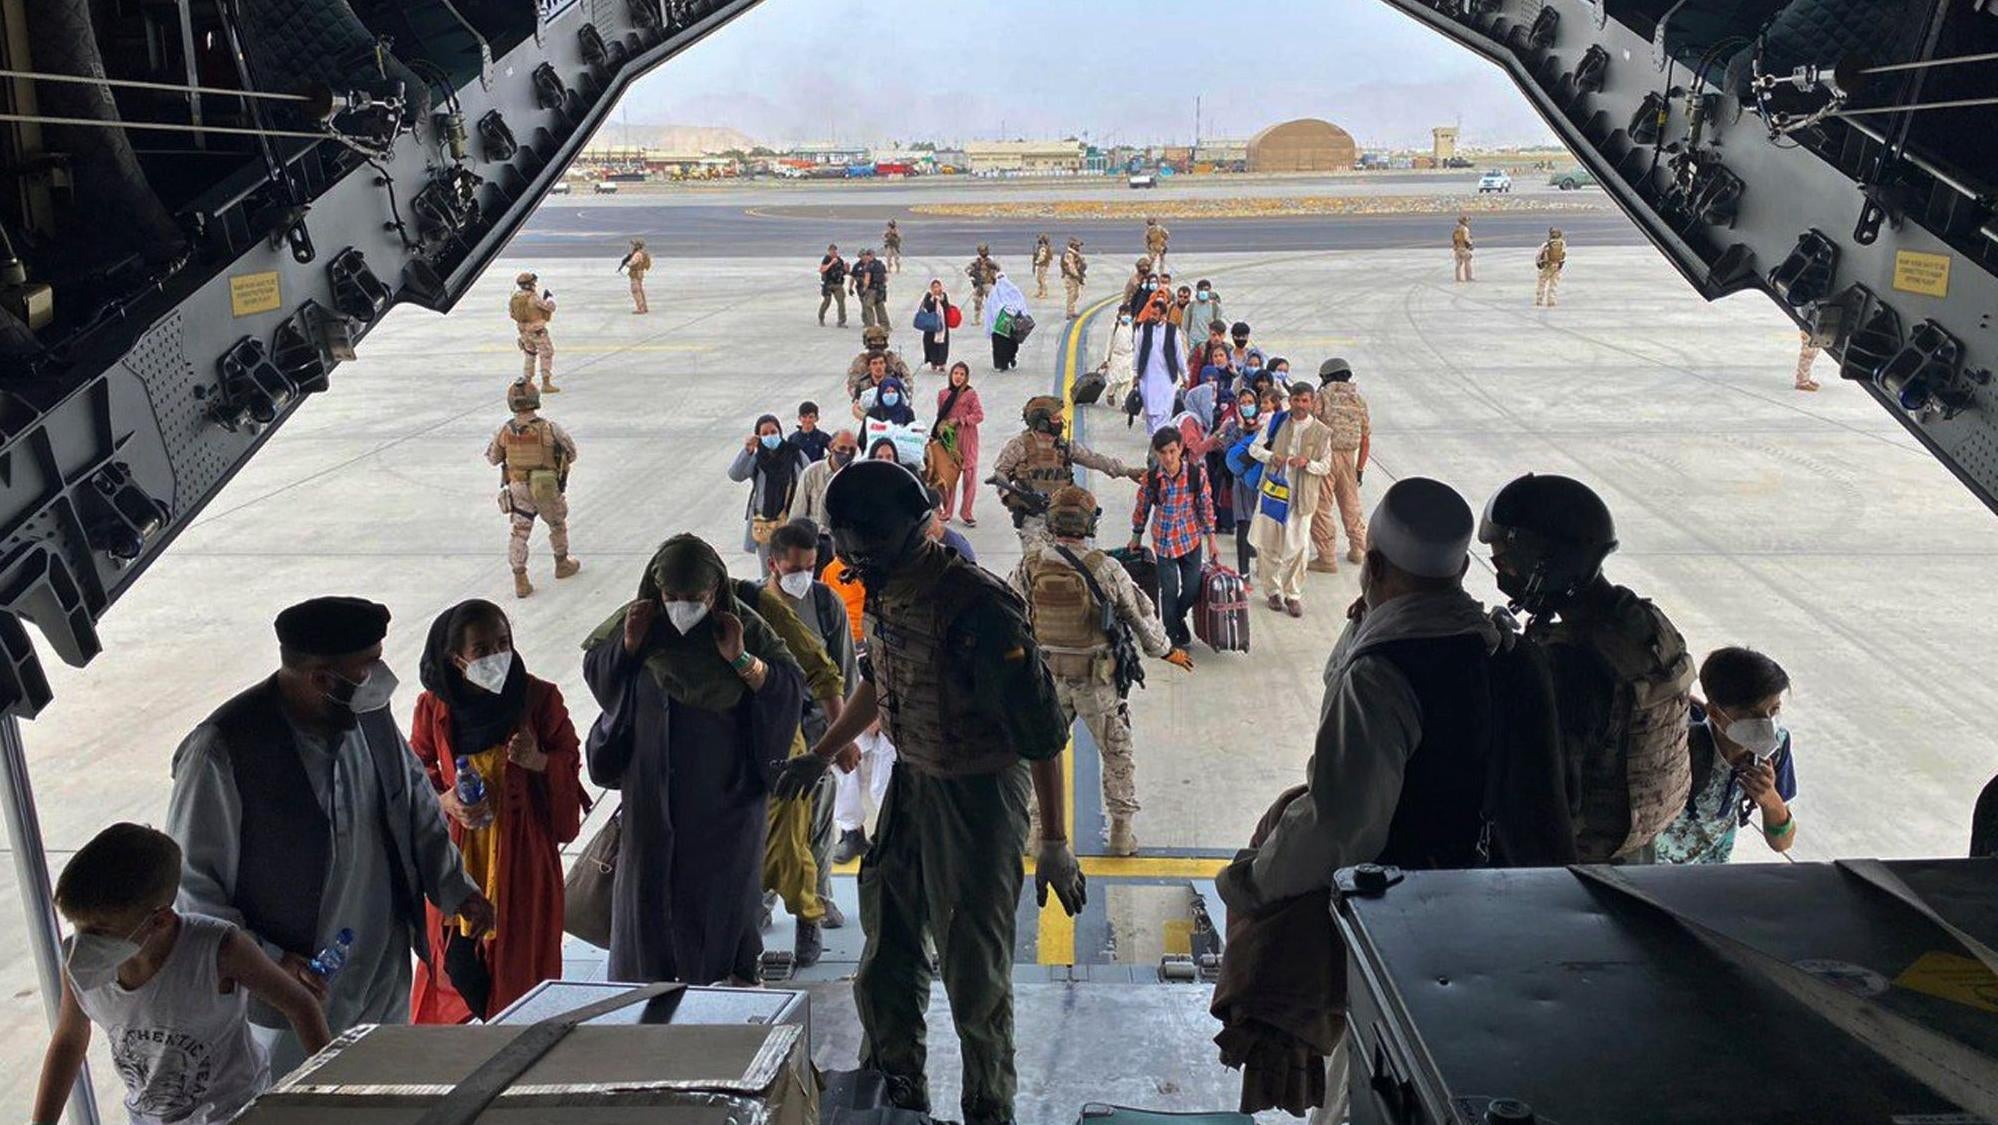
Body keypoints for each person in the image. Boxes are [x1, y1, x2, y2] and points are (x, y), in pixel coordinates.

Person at [1213, 478, 1574, 1122]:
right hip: (1506, 915)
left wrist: (1253, 882)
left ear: (1373, 565)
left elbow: (1339, 826)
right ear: (1462, 569)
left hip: (1408, 928)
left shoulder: (1384, 672)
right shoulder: (1508, 653)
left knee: (1373, 1089)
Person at [772, 461, 1082, 1125]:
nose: (855, 564)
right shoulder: (888, 591)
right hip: (913, 781)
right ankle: (898, 1095)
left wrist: (1053, 843)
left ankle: (989, 1109)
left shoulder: (978, 607)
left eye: (863, 552)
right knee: (884, 962)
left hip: (977, 800)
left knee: (975, 979)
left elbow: (1044, 731)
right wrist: (823, 753)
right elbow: (877, 682)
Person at [165, 596, 494, 1074]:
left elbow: (416, 806)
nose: (381, 678)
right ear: (322, 678)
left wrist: (455, 888)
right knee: (299, 1104)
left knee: (383, 1094)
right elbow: (193, 889)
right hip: (292, 991)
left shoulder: (368, 714)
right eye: (369, 665)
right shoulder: (223, 751)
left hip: (381, 968)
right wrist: (268, 963)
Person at [581, 536, 806, 985]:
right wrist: (629, 645)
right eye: (672, 598)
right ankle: (647, 1016)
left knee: (716, 916)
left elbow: (789, 691)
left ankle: (718, 1004)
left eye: (696, 598)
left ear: (716, 592)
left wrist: (740, 659)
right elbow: (600, 677)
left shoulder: (747, 628)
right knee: (648, 917)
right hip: (650, 801)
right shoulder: (639, 623)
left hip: (724, 806)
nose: (683, 608)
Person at [31, 823, 332, 1125]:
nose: (85, 941)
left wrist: (331, 1095)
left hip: (235, 1113)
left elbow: (300, 1004)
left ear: (160, 919)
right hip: (148, 1116)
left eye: (101, 931)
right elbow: (70, 1039)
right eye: (78, 926)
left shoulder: (218, 949)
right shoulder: (83, 960)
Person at [1478, 473, 1695, 864]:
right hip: (1637, 846)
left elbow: (1547, 789)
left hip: (1579, 863)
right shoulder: (1647, 623)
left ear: (1541, 565)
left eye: (1505, 561)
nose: (1502, 574)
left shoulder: (1572, 662)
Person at [408, 600, 584, 1022]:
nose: (496, 656)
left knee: (518, 963)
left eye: (503, 643)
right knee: (457, 961)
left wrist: (539, 761)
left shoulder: (538, 699)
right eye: (482, 649)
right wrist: (445, 800)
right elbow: (416, 771)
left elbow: (568, 758)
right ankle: (489, 1018)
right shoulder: (434, 708)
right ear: (456, 659)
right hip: (461, 856)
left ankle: (509, 1034)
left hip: (522, 856)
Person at [1015, 485, 1191, 855]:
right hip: (1096, 680)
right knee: (1116, 753)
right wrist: (1166, 651)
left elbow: (1009, 613)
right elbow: (1139, 615)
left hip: (1047, 680)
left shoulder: (1031, 563)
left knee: (1040, 754)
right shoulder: (1106, 568)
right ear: (1089, 524)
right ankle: (1121, 834)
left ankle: (1035, 833)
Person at [765, 520, 860, 940]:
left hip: (818, 733)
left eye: (810, 566)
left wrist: (844, 736)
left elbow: (844, 672)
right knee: (766, 826)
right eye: (793, 568)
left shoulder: (826, 604)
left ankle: (815, 907)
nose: (802, 576)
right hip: (769, 734)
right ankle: (760, 903)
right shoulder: (750, 607)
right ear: (773, 565)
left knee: (818, 824)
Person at [1655, 647, 1798, 864]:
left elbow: (1782, 843)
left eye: (1774, 710)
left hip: (1710, 872)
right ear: (1715, 714)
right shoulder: (1678, 744)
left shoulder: (1776, 749)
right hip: (1651, 868)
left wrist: (1769, 799)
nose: (1767, 725)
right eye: (1752, 715)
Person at [992, 395, 1142, 548]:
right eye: (1056, 418)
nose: (1061, 422)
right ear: (1042, 422)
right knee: (1036, 564)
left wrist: (1128, 471)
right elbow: (1000, 473)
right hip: (1033, 518)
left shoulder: (1063, 445)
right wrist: (1011, 497)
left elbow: (1094, 459)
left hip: (1063, 519)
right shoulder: (1019, 446)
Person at [487, 379, 581, 599]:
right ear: (535, 400)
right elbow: (572, 453)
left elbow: (493, 458)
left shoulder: (505, 430)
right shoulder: (549, 428)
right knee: (557, 524)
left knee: (520, 532)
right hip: (546, 487)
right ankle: (562, 564)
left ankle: (520, 579)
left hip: (518, 487)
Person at [1249, 383, 1335, 617]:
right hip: (1273, 494)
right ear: (1291, 401)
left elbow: (1326, 466)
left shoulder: (1322, 432)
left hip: (1301, 498)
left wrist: (1307, 464)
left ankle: (1293, 594)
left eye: (1305, 401)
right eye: (1296, 400)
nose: (1300, 405)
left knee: (1299, 547)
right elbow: (1254, 449)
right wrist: (1272, 457)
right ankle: (1272, 591)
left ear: (1312, 402)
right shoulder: (1276, 422)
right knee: (1268, 545)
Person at [1132, 427, 1218, 650]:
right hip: (1163, 542)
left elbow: (1205, 507)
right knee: (1168, 591)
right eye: (1163, 453)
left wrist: (1212, 540)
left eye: (1172, 451)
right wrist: (1136, 537)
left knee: (1192, 587)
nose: (1168, 457)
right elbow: (1142, 508)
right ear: (1157, 453)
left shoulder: (1196, 475)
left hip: (1190, 539)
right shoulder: (1151, 479)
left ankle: (1178, 618)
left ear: (1180, 448)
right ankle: (1172, 634)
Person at [1309, 358, 1371, 574]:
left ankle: (1326, 558)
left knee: (1321, 507)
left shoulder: (1322, 397)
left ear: (1326, 377)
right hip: (1349, 458)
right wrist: (1360, 468)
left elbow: (1309, 425)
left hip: (1325, 456)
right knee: (1351, 505)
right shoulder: (1359, 400)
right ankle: (1358, 549)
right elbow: (1365, 439)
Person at [729, 415, 811, 570]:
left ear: (780, 432)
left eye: (773, 431)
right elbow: (735, 475)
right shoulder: (757, 459)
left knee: (792, 567)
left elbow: (808, 479)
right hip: (765, 523)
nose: (770, 436)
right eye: (765, 434)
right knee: (768, 571)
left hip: (791, 520)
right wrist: (747, 450)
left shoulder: (795, 454)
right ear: (758, 437)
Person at [1221, 388, 1281, 586]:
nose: (1247, 406)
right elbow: (1228, 456)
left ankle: (1265, 571)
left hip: (1265, 483)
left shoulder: (1269, 427)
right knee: (1244, 525)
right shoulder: (1233, 427)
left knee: (1265, 528)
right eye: (1243, 402)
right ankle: (1244, 572)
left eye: (1251, 402)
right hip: (1242, 484)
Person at [834, 717, 898, 864]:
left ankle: (892, 835)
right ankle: (852, 833)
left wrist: (880, 715)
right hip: (852, 709)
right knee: (844, 763)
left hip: (894, 712)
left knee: (885, 784)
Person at [934, 361, 985, 526]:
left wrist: (961, 420)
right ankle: (947, 511)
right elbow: (940, 415)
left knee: (969, 476)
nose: (958, 377)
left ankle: (967, 512)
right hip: (950, 440)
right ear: (951, 375)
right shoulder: (943, 394)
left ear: (966, 377)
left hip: (968, 438)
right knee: (950, 476)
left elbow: (979, 415)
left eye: (962, 374)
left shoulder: (970, 394)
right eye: (956, 373)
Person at [1134, 288, 1187, 435]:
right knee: (1150, 411)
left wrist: (1185, 376)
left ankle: (1160, 438)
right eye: (1151, 313)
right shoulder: (1143, 328)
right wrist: (1135, 373)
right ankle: (1154, 440)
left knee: (1164, 411)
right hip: (1147, 377)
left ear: (1163, 315)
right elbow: (1137, 352)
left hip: (1166, 378)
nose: (1151, 316)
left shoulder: (1172, 330)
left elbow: (1179, 354)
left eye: (1155, 314)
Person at [789, 429, 858, 529]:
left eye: (852, 450)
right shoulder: (811, 473)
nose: (847, 453)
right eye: (842, 448)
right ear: (831, 446)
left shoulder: (857, 476)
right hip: (818, 538)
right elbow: (797, 514)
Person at [509, 272, 557, 392]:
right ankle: (546, 383)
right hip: (537, 331)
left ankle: (527, 381)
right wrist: (549, 299)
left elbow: (512, 314)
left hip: (523, 331)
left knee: (529, 355)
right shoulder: (533, 298)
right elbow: (550, 308)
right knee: (546, 353)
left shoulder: (515, 297)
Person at [846, 324, 914, 401]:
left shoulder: (892, 358)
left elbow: (907, 378)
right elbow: (853, 382)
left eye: (881, 340)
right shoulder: (861, 360)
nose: (878, 343)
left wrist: (907, 395)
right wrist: (860, 399)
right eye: (874, 340)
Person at [985, 269, 1029, 372]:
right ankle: (1003, 362)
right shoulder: (1000, 292)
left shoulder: (999, 292)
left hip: (1004, 325)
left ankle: (1004, 362)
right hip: (1002, 326)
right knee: (1005, 344)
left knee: (1003, 345)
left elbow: (1020, 304)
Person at [1097, 306, 1137, 408]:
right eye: (1123, 314)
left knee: (1128, 381)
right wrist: (1106, 359)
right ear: (1119, 315)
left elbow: (1136, 344)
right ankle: (1110, 394)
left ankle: (1125, 403)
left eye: (1128, 314)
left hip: (1128, 357)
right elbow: (1109, 344)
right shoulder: (1114, 327)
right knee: (1114, 380)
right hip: (1116, 357)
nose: (1126, 316)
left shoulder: (1133, 327)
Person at [918, 279, 953, 372]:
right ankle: (933, 362)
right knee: (931, 344)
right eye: (934, 287)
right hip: (931, 325)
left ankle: (942, 364)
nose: (936, 289)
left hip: (942, 325)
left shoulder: (944, 296)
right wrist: (933, 299)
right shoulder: (928, 296)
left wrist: (941, 300)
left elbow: (947, 307)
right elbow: (927, 308)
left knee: (942, 344)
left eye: (938, 286)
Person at [853, 247, 890, 329]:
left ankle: (871, 325)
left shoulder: (868, 266)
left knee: (867, 306)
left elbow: (867, 279)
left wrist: (864, 289)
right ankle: (885, 325)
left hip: (872, 290)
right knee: (880, 306)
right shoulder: (880, 264)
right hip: (881, 289)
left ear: (869, 256)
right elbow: (886, 278)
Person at [966, 243, 999, 326]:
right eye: (982, 251)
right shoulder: (976, 262)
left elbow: (998, 268)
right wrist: (973, 276)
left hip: (988, 283)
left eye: (985, 250)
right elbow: (967, 269)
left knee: (992, 302)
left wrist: (992, 269)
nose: (983, 252)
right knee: (977, 302)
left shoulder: (990, 261)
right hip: (979, 285)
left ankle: (994, 319)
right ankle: (977, 320)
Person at [819, 243, 850, 327]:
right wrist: (831, 263)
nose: (833, 253)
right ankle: (821, 318)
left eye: (835, 251)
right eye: (832, 251)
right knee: (827, 302)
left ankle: (841, 321)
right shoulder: (826, 259)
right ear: (829, 251)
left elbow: (843, 272)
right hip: (828, 284)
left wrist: (846, 269)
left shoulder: (839, 260)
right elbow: (822, 270)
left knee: (841, 302)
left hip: (838, 284)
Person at [1535, 226, 1566, 307]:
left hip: (1547, 266)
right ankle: (1551, 301)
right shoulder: (1562, 244)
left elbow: (1538, 255)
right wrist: (1560, 265)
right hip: (1557, 266)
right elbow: (1563, 255)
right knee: (1553, 285)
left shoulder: (1546, 244)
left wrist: (1539, 264)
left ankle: (1539, 300)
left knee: (1542, 283)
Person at [621, 238, 652, 313]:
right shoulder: (642, 253)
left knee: (635, 290)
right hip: (640, 272)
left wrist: (626, 264)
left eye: (632, 245)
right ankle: (644, 307)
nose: (631, 246)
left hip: (635, 273)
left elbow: (632, 262)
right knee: (640, 290)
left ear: (636, 246)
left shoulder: (637, 254)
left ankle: (640, 308)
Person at [1060, 236, 1088, 319]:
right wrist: (1077, 276)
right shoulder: (1069, 255)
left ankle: (1072, 311)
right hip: (1070, 277)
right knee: (1071, 295)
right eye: (1077, 245)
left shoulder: (1075, 254)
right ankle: (1069, 313)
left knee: (1075, 294)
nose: (1079, 247)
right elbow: (1071, 267)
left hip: (1074, 277)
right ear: (1073, 246)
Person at [1452, 215, 1474, 282]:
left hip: (1457, 248)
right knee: (1467, 262)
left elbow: (1454, 238)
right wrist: (1470, 245)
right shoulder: (1465, 229)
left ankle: (1458, 278)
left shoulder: (1456, 229)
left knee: (1458, 264)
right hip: (1464, 247)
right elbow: (1466, 239)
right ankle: (1468, 277)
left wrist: (1455, 246)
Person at [1032, 233, 1054, 298]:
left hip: (1043, 265)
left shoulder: (1043, 248)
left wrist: (1037, 262)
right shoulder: (1042, 247)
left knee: (1042, 279)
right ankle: (1040, 291)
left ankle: (1044, 292)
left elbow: (1042, 256)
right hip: (1041, 264)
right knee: (1039, 279)